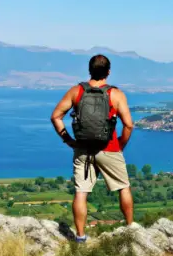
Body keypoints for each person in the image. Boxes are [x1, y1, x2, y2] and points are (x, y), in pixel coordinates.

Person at [50, 54, 134, 242]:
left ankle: (80, 237)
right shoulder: (115, 94)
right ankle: (130, 230)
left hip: (82, 150)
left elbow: (56, 116)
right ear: (109, 72)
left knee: (81, 192)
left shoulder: (76, 91)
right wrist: (120, 145)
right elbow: (129, 125)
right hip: (109, 148)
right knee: (123, 187)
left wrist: (68, 140)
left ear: (89, 70)